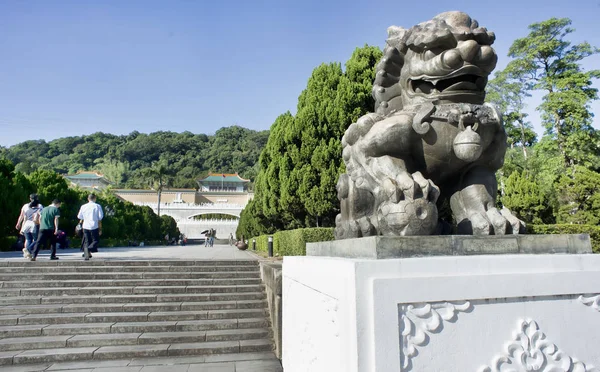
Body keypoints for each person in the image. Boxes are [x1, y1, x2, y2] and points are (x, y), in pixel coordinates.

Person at [15, 194, 43, 258]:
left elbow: (22, 215)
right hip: (34, 224)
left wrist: (18, 223)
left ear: (30, 199)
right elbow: (40, 217)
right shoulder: (39, 206)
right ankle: (28, 250)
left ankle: (27, 254)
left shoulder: (26, 206)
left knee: (28, 239)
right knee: (36, 239)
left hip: (26, 224)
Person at [77, 194, 104, 261]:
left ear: (88, 199)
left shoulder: (83, 206)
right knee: (95, 240)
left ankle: (87, 255)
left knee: (87, 241)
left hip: (85, 225)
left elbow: (79, 216)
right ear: (95, 198)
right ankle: (88, 250)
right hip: (94, 225)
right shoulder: (97, 206)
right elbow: (100, 217)